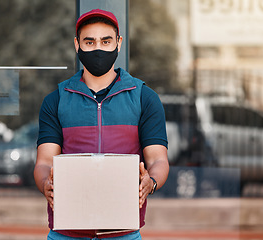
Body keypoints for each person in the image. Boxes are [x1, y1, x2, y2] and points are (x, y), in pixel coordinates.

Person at [34, 9, 169, 240]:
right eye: (89, 41)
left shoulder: (144, 97)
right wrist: (45, 183)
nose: (98, 48)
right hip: (65, 233)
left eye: (106, 41)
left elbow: (158, 159)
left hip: (123, 232)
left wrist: (152, 182)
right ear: (77, 45)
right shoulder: (56, 100)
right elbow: (44, 162)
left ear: (119, 43)